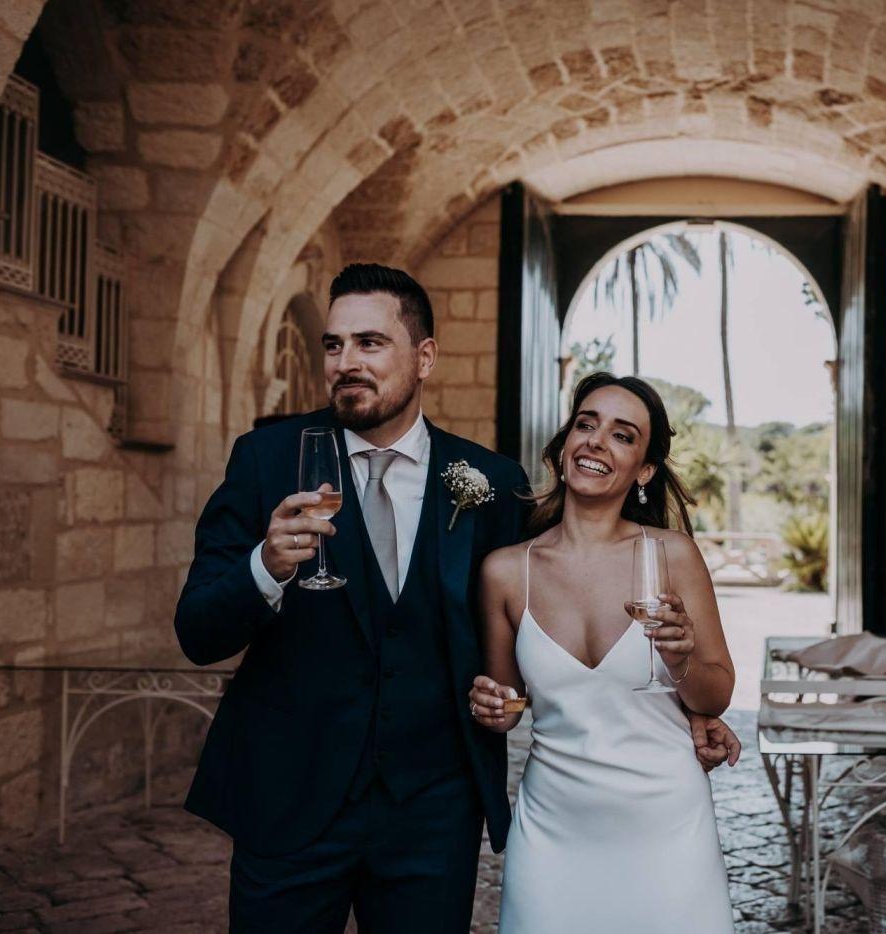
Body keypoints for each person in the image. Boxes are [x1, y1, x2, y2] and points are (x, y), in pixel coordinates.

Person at [174, 265, 740, 932]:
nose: (346, 362)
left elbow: (555, 606)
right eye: (333, 345)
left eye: (369, 343)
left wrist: (687, 707)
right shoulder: (265, 459)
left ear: (425, 357)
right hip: (288, 802)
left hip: (432, 819)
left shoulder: (491, 485)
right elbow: (198, 632)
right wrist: (265, 567)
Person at [470, 373, 737, 933]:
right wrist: (493, 707)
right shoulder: (506, 571)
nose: (595, 441)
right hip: (551, 836)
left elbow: (715, 695)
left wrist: (681, 660)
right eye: (586, 425)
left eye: (622, 435)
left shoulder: (673, 556)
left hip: (669, 833)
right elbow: (507, 704)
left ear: (644, 470)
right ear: (565, 444)